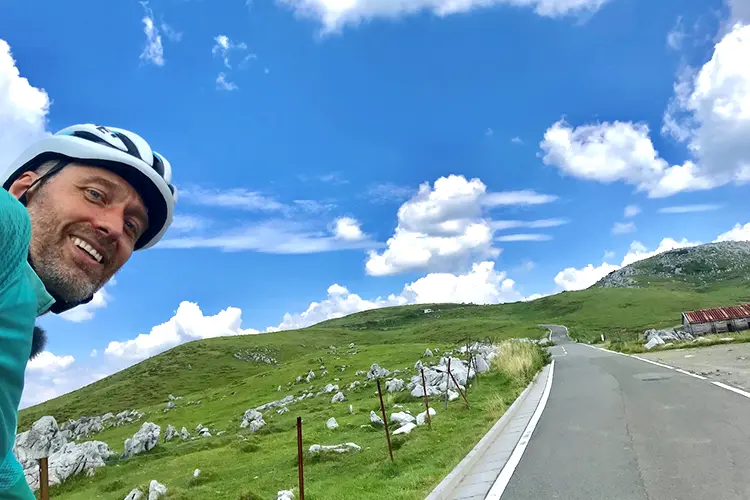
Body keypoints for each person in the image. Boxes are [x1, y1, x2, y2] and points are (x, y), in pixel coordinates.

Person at [0, 124, 177, 498]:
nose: (114, 228)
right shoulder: (7, 226)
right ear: (22, 189)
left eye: (131, 226)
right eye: (95, 194)